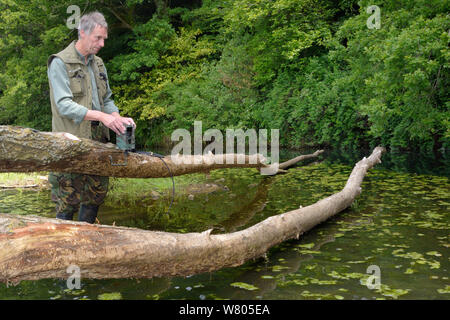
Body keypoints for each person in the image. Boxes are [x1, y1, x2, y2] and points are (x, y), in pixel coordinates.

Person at [47, 11, 135, 223]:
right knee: (67, 200)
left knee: (94, 197)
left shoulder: (99, 64)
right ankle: (63, 250)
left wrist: (116, 116)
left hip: (98, 143)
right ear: (82, 33)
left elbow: (107, 99)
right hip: (69, 144)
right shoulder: (60, 63)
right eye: (98, 38)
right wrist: (101, 116)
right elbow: (63, 106)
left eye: (104, 38)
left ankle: (87, 247)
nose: (102, 43)